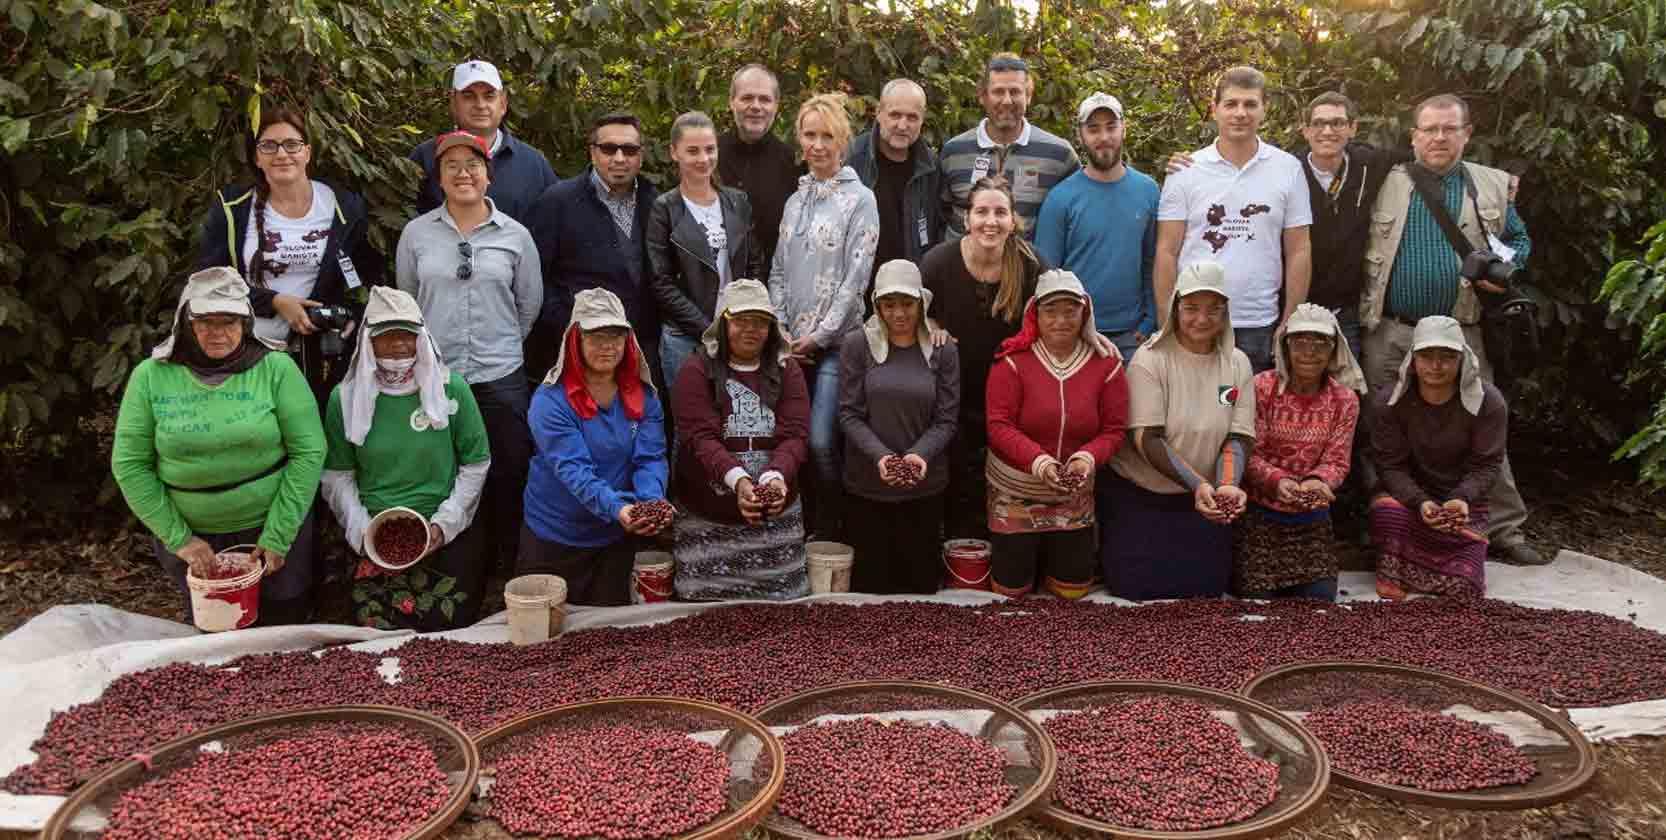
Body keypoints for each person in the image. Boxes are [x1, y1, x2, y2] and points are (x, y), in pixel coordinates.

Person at [1357, 93, 1540, 566]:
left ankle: (1503, 528)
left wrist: (1503, 268)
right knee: (1381, 427)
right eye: (1430, 129)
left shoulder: (1491, 184)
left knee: (1483, 421)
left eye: (1449, 129)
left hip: (1462, 332)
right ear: (1413, 135)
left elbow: (1517, 239)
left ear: (1466, 134)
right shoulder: (1383, 179)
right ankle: (1386, 526)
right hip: (1392, 330)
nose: (1439, 138)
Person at [112, 268, 325, 626]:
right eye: (205, 322)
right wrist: (181, 540)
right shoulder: (151, 376)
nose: (218, 333)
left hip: (272, 525)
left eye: (229, 322)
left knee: (284, 626)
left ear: (246, 323)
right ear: (187, 324)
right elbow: (130, 464)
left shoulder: (275, 369)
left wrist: (278, 534)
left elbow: (309, 451)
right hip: (194, 535)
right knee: (217, 628)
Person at [396, 130, 542, 577]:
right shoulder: (416, 234)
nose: (464, 174)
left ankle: (508, 569)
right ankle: (458, 571)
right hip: (437, 376)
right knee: (446, 472)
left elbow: (529, 303)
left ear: (488, 175)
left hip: (501, 376)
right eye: (452, 166)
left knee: (508, 470)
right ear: (439, 178)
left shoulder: (516, 235)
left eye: (473, 165)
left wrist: (503, 343)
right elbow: (408, 300)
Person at [320, 287, 491, 630]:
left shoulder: (451, 389)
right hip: (376, 530)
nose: (398, 344)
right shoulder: (345, 399)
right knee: (379, 628)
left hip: (445, 528)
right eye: (386, 335)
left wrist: (443, 524)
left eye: (407, 334)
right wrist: (363, 531)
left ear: (421, 337)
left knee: (449, 625)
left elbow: (476, 464)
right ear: (368, 340)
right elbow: (338, 475)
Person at [197, 105, 384, 406]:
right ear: (257, 157)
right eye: (269, 146)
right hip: (247, 348)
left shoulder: (343, 206)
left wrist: (349, 317)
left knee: (312, 423)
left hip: (318, 352)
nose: (282, 154)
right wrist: (274, 301)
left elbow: (365, 275)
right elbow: (209, 280)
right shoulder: (233, 208)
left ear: (307, 152)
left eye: (292, 144)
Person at [1103, 261, 1256, 600]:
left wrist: (1227, 485)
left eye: (1213, 310)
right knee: (1133, 587)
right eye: (1191, 308)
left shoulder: (1236, 364)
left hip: (1205, 499)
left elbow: (1239, 434)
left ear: (1225, 314)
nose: (1202, 319)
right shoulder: (1150, 359)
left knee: (1206, 589)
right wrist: (1198, 484)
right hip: (1145, 493)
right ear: (1175, 309)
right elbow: (1147, 438)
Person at [768, 93, 880, 537]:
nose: (817, 145)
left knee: (820, 441)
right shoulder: (795, 200)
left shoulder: (860, 200)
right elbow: (778, 269)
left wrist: (819, 336)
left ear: (843, 141)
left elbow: (856, 279)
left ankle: (835, 529)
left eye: (827, 136)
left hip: (837, 345)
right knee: (789, 444)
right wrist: (780, 329)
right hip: (790, 346)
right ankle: (801, 527)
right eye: (809, 135)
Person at [1154, 66, 1313, 373]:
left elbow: (1299, 250)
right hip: (1195, 322)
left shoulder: (1288, 169)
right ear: (1214, 109)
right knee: (1194, 405)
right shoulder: (1185, 170)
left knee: (1249, 405)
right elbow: (1166, 251)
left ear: (1264, 109)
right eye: (1231, 104)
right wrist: (1166, 324)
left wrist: (1290, 320)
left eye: (1250, 104)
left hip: (1259, 323)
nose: (1241, 113)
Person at [984, 269, 1129, 598]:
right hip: (1016, 489)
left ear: (1084, 313)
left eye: (1070, 311)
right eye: (1051, 311)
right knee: (1011, 590)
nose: (1061, 320)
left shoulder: (1106, 365)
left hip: (1073, 493)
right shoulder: (1012, 361)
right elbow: (998, 426)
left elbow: (1114, 430)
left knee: (1072, 591)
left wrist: (1085, 458)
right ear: (1035, 313)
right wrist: (1040, 462)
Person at [519, 288, 669, 606]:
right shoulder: (550, 401)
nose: (608, 346)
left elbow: (650, 457)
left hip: (614, 536)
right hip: (556, 535)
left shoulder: (643, 396)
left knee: (608, 625)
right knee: (549, 627)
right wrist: (617, 508)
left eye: (616, 336)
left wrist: (650, 501)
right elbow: (574, 470)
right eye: (596, 336)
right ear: (576, 340)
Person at [920, 176, 1046, 539]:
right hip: (954, 388)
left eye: (1000, 213)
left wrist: (1092, 334)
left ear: (1013, 220)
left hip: (1008, 390)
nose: (991, 221)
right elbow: (913, 311)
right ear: (966, 219)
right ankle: (956, 545)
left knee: (999, 472)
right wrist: (932, 327)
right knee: (957, 471)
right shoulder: (939, 261)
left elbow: (1062, 303)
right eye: (981, 212)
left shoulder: (1030, 262)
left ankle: (1000, 541)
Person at [671, 279, 812, 600]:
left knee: (781, 606)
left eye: (760, 321)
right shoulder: (696, 369)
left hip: (774, 515)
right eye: (741, 320)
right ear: (723, 324)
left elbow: (795, 433)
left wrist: (775, 477)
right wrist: (739, 481)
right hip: (708, 513)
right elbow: (700, 438)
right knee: (705, 607)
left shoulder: (787, 369)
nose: (751, 329)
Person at [838, 261, 960, 594]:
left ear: (921, 303)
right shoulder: (857, 344)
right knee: (871, 589)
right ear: (877, 305)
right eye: (889, 304)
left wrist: (918, 456)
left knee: (919, 588)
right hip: (867, 485)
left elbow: (946, 418)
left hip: (924, 487)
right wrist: (882, 458)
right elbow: (849, 414)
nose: (899, 313)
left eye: (907, 303)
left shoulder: (942, 348)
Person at [1368, 316, 1506, 599]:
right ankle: (1397, 569)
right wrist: (1421, 502)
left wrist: (1461, 499)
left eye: (1447, 357)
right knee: (1386, 514)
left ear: (1462, 360)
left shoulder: (1488, 402)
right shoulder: (1389, 402)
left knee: (1465, 586)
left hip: (1463, 504)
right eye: (1426, 356)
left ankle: (1418, 568)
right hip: (1408, 500)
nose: (1436, 365)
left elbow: (1487, 465)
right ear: (1413, 360)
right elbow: (1390, 466)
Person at [1234, 304, 1365, 600]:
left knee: (1319, 598)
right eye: (1300, 341)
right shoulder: (1261, 388)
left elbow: (1337, 460)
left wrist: (1317, 482)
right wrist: (1277, 481)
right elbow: (1249, 453)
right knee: (1257, 595)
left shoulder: (1344, 400)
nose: (1310, 351)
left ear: (1333, 349)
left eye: (1321, 343)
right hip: (1261, 511)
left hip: (1311, 514)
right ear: (1286, 346)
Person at [527, 112, 661, 385]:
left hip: (640, 349)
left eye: (629, 150)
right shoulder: (558, 202)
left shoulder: (655, 201)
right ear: (592, 152)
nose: (620, 158)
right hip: (578, 349)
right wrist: (569, 325)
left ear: (641, 155)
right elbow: (536, 278)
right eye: (609, 149)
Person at [1034, 92, 1159, 360]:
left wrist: (1150, 320)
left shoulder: (1148, 190)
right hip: (1075, 335)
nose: (1103, 137)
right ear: (1080, 135)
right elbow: (1047, 275)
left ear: (1124, 128)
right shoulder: (1060, 198)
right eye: (1093, 129)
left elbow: (1153, 261)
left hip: (1133, 336)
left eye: (1111, 127)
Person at [647, 111, 761, 388]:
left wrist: (742, 318)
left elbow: (755, 263)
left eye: (710, 149)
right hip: (684, 338)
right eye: (693, 151)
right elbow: (660, 281)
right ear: (674, 152)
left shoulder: (737, 201)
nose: (703, 158)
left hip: (737, 331)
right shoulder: (665, 208)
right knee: (690, 413)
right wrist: (708, 329)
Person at [939, 53, 1079, 239]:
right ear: (982, 96)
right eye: (998, 92)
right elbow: (939, 216)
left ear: (1028, 96)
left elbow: (1075, 217)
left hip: (1027, 258)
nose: (1007, 100)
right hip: (962, 257)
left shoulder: (1059, 155)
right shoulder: (953, 153)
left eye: (1015, 92)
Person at [410, 60, 558, 224]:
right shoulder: (424, 157)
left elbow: (554, 224)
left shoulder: (534, 164)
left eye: (489, 96)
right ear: (453, 103)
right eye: (469, 96)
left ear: (503, 103)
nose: (480, 105)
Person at [845, 78, 942, 302]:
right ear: (879, 113)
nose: (902, 125)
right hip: (858, 293)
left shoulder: (931, 167)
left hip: (910, 295)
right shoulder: (852, 158)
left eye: (912, 117)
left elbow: (937, 230)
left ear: (922, 120)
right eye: (895, 115)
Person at [719, 64, 801, 271]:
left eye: (765, 99)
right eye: (747, 98)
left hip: (773, 282)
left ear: (776, 106)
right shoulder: (710, 156)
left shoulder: (793, 163)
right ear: (731, 102)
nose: (756, 106)